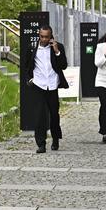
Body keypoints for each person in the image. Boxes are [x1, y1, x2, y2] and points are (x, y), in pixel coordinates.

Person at [24, 25, 68, 153]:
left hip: (53, 84)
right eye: (41, 36)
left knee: (54, 114)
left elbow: (63, 65)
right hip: (39, 85)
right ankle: (41, 144)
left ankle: (55, 139)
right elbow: (27, 66)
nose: (43, 39)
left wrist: (57, 52)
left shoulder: (58, 47)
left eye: (46, 37)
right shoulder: (32, 47)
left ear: (51, 36)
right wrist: (30, 79)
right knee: (40, 115)